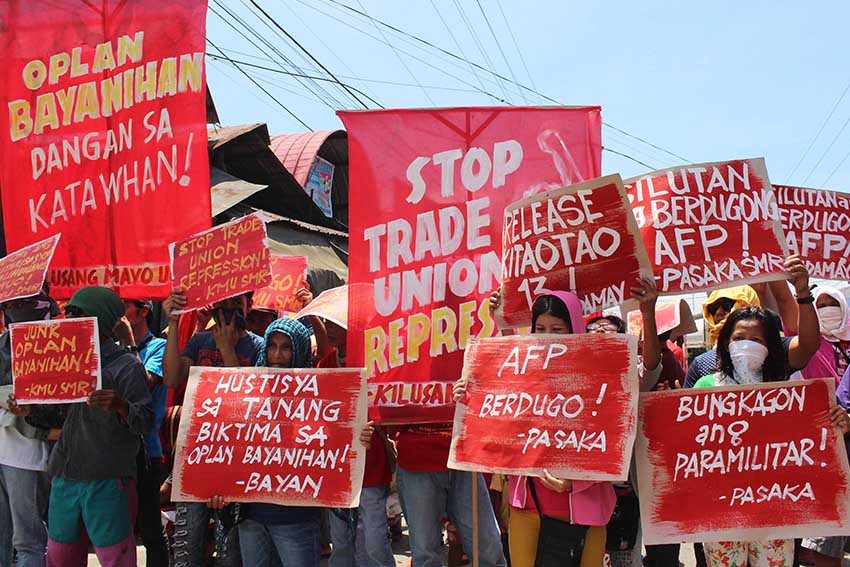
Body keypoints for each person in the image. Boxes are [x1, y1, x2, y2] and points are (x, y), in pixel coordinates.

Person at [456, 277, 660, 567]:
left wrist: (575, 483)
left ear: (574, 328)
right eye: (540, 329)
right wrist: (470, 395)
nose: (546, 336)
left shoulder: (600, 374)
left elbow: (646, 376)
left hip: (587, 514)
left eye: (557, 329)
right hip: (527, 508)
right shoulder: (524, 371)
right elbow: (499, 382)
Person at [693, 260, 846, 567]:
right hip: (722, 509)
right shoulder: (705, 385)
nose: (746, 345)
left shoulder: (781, 385)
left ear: (770, 347)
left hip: (775, 506)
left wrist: (802, 292)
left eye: (756, 340)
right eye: (738, 339)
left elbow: (809, 344)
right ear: (725, 343)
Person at [10, 286, 154, 567]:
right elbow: (61, 417)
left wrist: (121, 406)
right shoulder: (65, 360)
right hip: (65, 477)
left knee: (116, 559)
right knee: (60, 558)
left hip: (109, 481)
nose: (68, 318)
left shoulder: (126, 367)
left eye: (79, 312)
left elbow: (146, 421)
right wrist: (32, 411)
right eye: (69, 311)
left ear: (100, 318)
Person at [162, 290, 263, 567]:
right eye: (223, 303)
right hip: (197, 453)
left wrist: (228, 350)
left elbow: (248, 405)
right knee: (187, 546)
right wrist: (172, 323)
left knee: (231, 551)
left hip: (237, 459)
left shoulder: (259, 347)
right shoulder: (199, 341)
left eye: (236, 303)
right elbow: (171, 378)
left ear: (249, 306)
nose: (228, 310)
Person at [0, 285, 59, 567]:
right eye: (12, 304)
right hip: (6, 449)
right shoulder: (3, 344)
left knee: (28, 542)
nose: (16, 310)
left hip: (28, 454)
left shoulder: (56, 344)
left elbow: (60, 399)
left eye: (25, 303)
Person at [114, 298, 169, 567]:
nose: (119, 313)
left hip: (147, 451)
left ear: (144, 310)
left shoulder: (158, 347)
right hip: (114, 451)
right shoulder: (111, 349)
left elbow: (143, 384)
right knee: (117, 529)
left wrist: (129, 344)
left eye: (125, 306)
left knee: (149, 529)